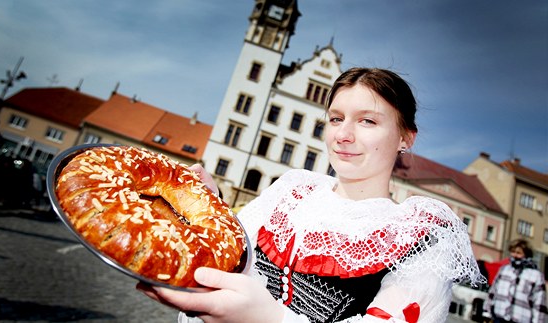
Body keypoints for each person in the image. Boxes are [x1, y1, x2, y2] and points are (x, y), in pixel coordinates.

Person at [137, 67, 484, 322]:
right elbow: (231, 265)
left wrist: (267, 319)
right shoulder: (292, 190)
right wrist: (209, 217)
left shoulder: (422, 235)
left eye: (368, 121)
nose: (343, 135)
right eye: (336, 118)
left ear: (406, 138)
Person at [484, 239, 547, 322]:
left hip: (521, 319)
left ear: (526, 254)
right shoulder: (504, 270)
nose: (515, 255)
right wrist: (486, 313)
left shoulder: (536, 276)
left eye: (518, 253)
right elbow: (492, 292)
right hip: (499, 317)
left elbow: (539, 302)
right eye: (513, 252)